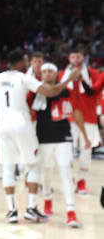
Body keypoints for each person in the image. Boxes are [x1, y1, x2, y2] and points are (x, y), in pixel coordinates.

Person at [0, 49, 80, 224]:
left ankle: (12, 211)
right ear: (20, 62)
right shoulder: (24, 78)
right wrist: (68, 80)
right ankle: (30, 208)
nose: (28, 63)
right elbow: (50, 92)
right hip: (21, 124)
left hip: (1, 126)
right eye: (26, 60)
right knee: (33, 165)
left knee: (7, 167)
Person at [30, 63, 90, 227]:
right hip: (43, 139)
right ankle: (47, 199)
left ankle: (71, 212)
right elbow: (29, 114)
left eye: (50, 71)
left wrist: (85, 136)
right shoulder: (36, 90)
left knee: (65, 171)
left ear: (57, 74)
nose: (47, 74)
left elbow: (77, 112)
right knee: (46, 172)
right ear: (40, 75)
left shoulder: (67, 91)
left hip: (63, 137)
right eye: (44, 71)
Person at [57, 45, 103, 194]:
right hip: (67, 117)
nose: (76, 60)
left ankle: (82, 181)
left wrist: (82, 79)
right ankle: (70, 180)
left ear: (83, 57)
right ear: (68, 59)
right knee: (67, 151)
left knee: (86, 151)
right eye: (73, 57)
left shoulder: (93, 74)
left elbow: (93, 92)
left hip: (88, 116)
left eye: (78, 57)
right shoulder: (61, 74)